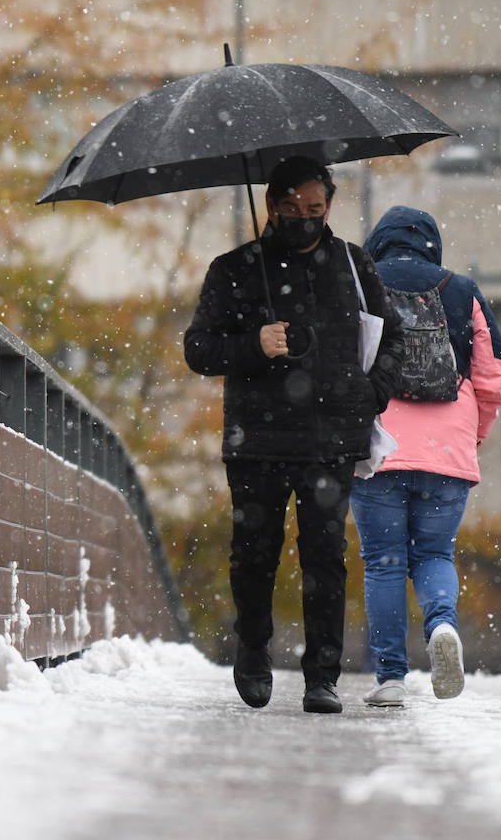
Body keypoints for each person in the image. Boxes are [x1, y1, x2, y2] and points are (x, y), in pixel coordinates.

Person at [184, 156, 404, 714]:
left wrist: (369, 393)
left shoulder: (355, 267)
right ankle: (253, 648)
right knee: (254, 554)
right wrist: (252, 344)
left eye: (314, 208)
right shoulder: (235, 269)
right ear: (271, 207)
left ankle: (322, 675)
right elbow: (199, 349)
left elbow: (395, 342)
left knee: (325, 555)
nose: (304, 218)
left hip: (332, 438)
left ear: (330, 205)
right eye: (290, 209)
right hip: (257, 438)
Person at [349, 205, 501, 708]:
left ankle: (391, 677)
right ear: (430, 245)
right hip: (447, 450)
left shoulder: (360, 286)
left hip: (379, 445)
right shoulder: (461, 290)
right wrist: (471, 435)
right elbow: (493, 375)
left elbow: (341, 361)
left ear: (378, 243)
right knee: (435, 555)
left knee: (384, 564)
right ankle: (442, 626)